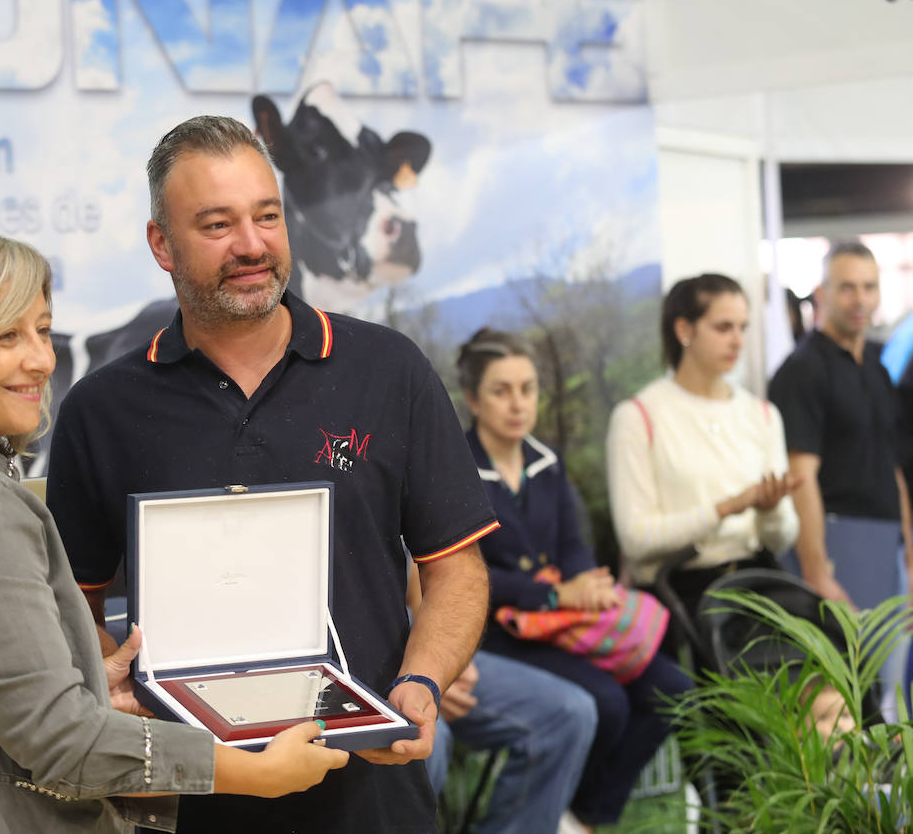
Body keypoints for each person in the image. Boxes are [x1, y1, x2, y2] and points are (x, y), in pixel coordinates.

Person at [48, 115, 496, 833]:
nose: (252, 245)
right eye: (217, 225)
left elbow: (458, 569)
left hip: (371, 800)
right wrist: (123, 678)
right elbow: (69, 597)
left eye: (267, 216)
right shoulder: (101, 409)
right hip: (191, 805)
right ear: (162, 243)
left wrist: (420, 681)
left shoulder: (390, 370)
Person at [0, 228, 347, 834]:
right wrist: (251, 772)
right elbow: (59, 742)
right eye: (5, 336)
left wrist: (75, 678)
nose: (42, 360)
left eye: (42, 331)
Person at [461, 327, 692, 829]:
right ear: (472, 399)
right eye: (501, 391)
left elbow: (572, 544)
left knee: (674, 690)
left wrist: (587, 584)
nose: (518, 403)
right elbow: (462, 574)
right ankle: (557, 812)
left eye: (528, 388)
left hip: (565, 622)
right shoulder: (455, 470)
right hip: (500, 636)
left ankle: (582, 815)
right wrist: (551, 592)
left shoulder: (547, 461)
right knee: (605, 703)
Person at [768, 242, 912, 716]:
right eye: (847, 287)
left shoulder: (877, 366)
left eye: (869, 287)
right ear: (822, 293)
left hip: (882, 544)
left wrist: (909, 543)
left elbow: (891, 463)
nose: (859, 299)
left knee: (881, 696)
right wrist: (816, 572)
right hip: (833, 542)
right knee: (840, 701)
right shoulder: (802, 370)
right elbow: (800, 476)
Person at [607, 274, 801, 618]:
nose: (738, 341)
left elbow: (783, 536)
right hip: (681, 597)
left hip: (758, 585)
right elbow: (636, 540)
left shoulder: (763, 415)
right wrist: (727, 508)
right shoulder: (638, 416)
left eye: (743, 327)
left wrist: (769, 510)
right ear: (684, 331)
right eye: (723, 327)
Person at [408, 566, 597, 834]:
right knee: (423, 742)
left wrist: (439, 657)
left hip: (420, 640)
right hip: (363, 662)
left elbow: (422, 575)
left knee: (571, 712)